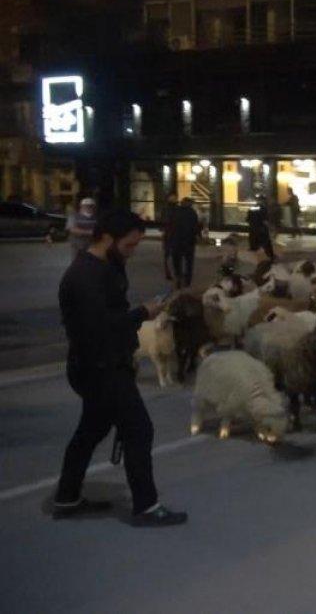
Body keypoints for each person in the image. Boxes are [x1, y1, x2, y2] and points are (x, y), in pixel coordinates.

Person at [54, 210, 187, 526]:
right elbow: (100, 326)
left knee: (91, 429)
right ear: (107, 239)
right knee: (138, 429)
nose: (132, 252)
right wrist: (143, 312)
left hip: (101, 365)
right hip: (99, 368)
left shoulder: (104, 266)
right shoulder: (84, 276)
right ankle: (146, 506)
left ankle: (67, 496)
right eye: (129, 246)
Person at [167, 197, 202, 288]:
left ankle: (178, 278)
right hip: (188, 242)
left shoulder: (175, 212)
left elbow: (170, 226)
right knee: (189, 262)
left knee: (177, 262)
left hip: (176, 241)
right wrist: (198, 236)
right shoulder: (192, 213)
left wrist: (169, 240)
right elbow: (196, 227)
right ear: (189, 203)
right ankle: (187, 281)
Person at [246, 195, 275, 262]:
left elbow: (248, 219)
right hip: (261, 229)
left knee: (253, 245)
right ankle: (271, 257)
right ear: (263, 201)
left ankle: (253, 261)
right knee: (266, 243)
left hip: (252, 229)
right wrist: (270, 227)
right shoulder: (263, 208)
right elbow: (265, 220)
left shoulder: (252, 208)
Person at [160, 193, 178, 281]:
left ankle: (173, 272)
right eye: (173, 198)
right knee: (168, 254)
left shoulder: (176, 209)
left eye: (175, 198)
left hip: (173, 234)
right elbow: (163, 220)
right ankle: (169, 272)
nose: (174, 199)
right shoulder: (167, 209)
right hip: (169, 234)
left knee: (173, 254)